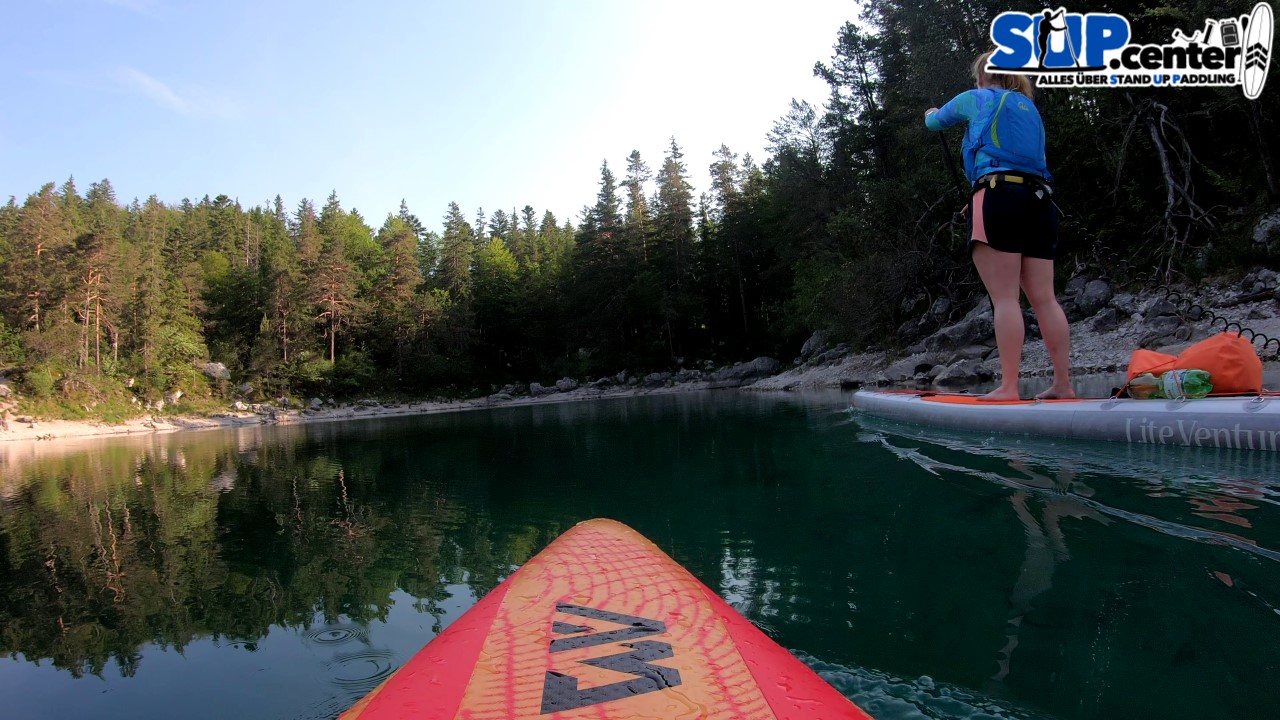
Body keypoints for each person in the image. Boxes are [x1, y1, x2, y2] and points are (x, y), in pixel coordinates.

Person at [925, 50, 1074, 401]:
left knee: (1005, 298)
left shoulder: (978, 98)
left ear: (982, 76)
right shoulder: (1028, 108)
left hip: (997, 198)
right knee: (1045, 299)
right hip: (1038, 201)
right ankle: (1063, 384)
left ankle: (1009, 388)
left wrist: (930, 113)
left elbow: (936, 123)